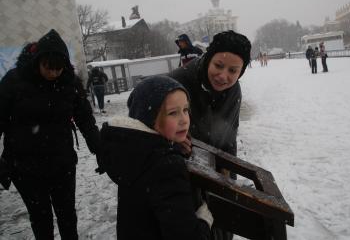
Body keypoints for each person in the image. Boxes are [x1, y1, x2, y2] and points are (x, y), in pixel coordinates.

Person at [0, 29, 101, 239]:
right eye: (49, 68)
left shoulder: (69, 83)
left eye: (59, 69)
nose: (54, 73)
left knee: (67, 216)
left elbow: (85, 119)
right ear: (38, 61)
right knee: (40, 218)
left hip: (61, 163)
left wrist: (100, 149)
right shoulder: (14, 81)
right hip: (25, 167)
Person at [98, 75, 213, 240]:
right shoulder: (167, 166)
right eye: (173, 113)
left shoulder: (132, 152)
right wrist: (203, 221)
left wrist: (171, 146)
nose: (184, 120)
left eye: (186, 110)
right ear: (149, 118)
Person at [169, 30, 251, 240]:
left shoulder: (234, 91)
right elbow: (148, 125)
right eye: (219, 66)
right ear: (208, 59)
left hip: (214, 167)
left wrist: (228, 174)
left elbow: (229, 136)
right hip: (179, 173)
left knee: (222, 221)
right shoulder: (178, 82)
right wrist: (171, 142)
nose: (224, 76)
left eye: (233, 70)